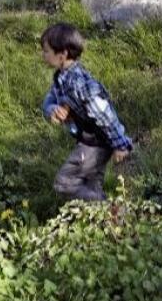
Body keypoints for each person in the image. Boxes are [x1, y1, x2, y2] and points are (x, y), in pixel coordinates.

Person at [39, 23, 133, 202]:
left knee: (64, 183)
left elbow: (104, 114)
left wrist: (120, 144)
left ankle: (108, 209)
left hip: (95, 143)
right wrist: (53, 110)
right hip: (88, 140)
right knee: (91, 185)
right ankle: (106, 223)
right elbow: (49, 99)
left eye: (46, 51)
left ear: (63, 54)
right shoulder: (62, 76)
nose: (43, 55)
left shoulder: (78, 83)